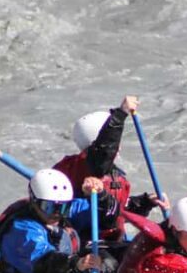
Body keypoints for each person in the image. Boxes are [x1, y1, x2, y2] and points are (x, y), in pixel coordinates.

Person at [53, 95, 161, 247]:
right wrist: (121, 114)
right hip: (89, 245)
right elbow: (104, 150)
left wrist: (145, 202)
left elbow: (119, 210)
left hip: (111, 241)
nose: (119, 147)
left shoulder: (111, 174)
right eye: (116, 143)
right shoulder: (87, 166)